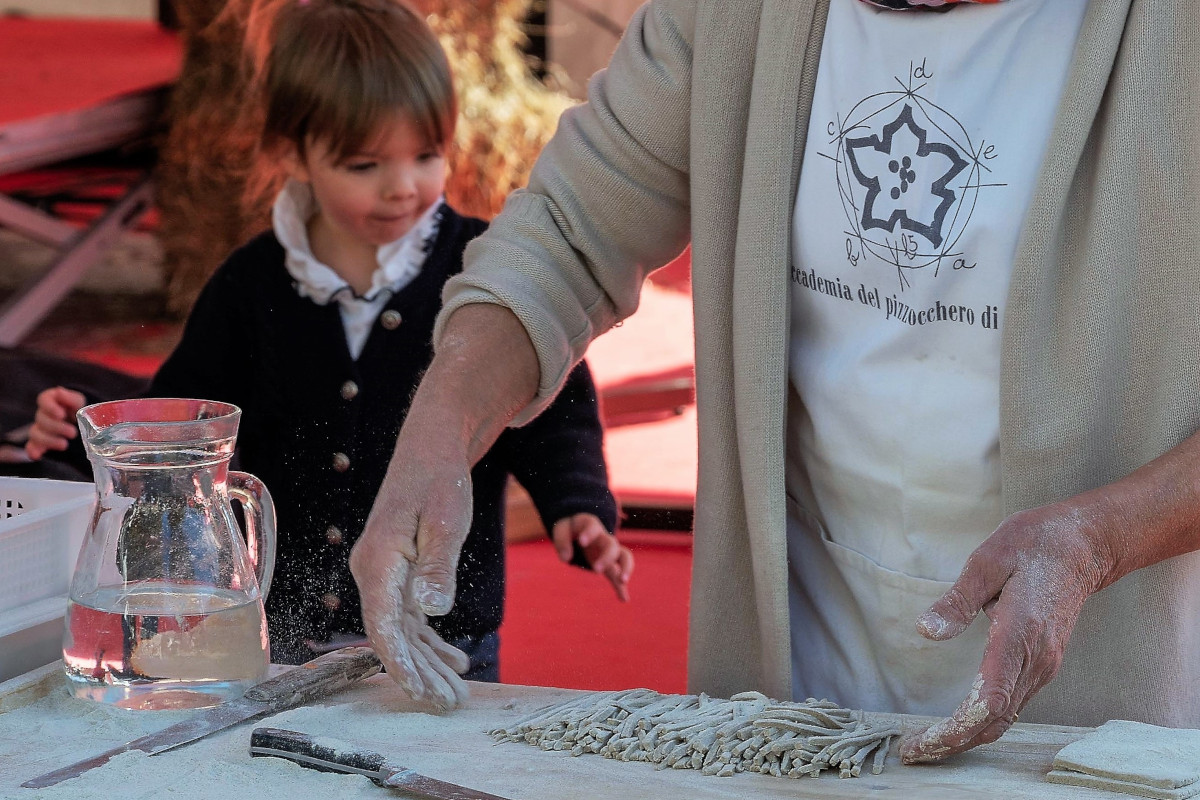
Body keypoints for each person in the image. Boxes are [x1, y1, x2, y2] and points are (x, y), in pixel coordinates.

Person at [347, 0, 1200, 765]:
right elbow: (570, 232)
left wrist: (1098, 540)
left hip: (1096, 714)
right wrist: (442, 428)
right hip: (785, 707)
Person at [26, 0, 633, 688]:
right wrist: (93, 422)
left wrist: (577, 503)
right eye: (364, 164)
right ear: (293, 152)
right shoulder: (251, 285)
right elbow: (189, 413)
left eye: (426, 155)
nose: (403, 187)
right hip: (290, 633)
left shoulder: (478, 268)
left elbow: (549, 406)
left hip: (443, 627)